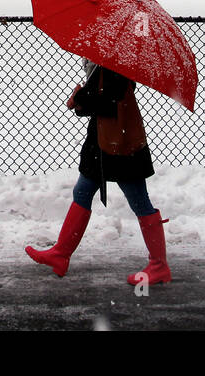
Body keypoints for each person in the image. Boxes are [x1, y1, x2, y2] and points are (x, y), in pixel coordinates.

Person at [25, 60, 171, 285]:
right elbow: (100, 99)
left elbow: (110, 101)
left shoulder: (117, 62)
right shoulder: (105, 61)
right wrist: (81, 100)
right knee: (82, 192)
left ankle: (159, 266)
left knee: (139, 201)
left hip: (119, 145)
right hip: (103, 143)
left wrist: (80, 98)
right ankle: (60, 255)